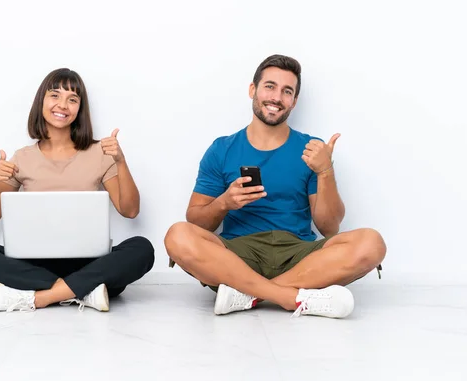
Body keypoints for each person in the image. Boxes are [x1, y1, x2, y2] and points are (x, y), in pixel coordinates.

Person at [164, 55, 386, 319]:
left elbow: (329, 228)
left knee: (372, 243)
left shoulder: (311, 150)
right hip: (237, 256)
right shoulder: (221, 149)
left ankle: (248, 295)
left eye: (287, 91)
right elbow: (197, 223)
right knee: (177, 235)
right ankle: (289, 297)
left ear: (294, 101)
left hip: (298, 254)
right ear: (252, 90)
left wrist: (325, 170)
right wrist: (225, 202)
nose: (277, 97)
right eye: (270, 86)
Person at [0, 68, 154, 313]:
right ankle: (84, 291)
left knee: (141, 248)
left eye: (72, 99)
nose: (63, 105)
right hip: (35, 263)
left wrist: (120, 161)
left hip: (87, 262)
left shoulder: (100, 154)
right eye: (55, 95)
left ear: (79, 109)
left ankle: (39, 298)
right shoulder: (23, 157)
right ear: (41, 101)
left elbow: (130, 210)